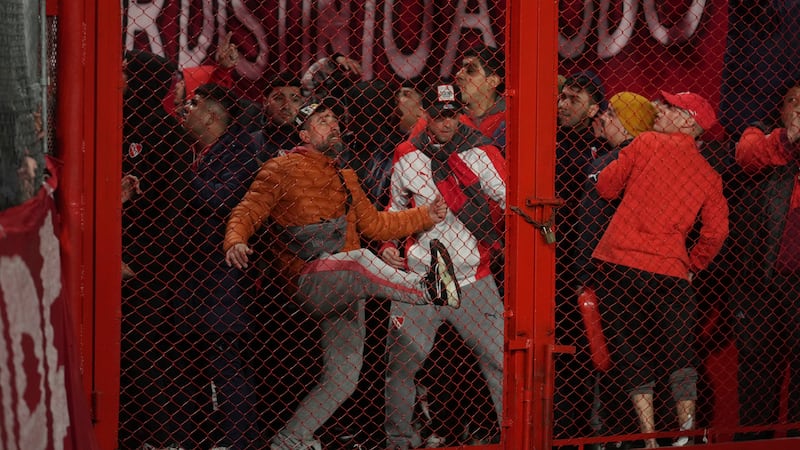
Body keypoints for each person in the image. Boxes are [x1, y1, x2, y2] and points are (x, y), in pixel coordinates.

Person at [222, 96, 461, 450]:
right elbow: (248, 209)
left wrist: (427, 215)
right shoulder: (281, 168)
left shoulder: (345, 174)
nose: (333, 125)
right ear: (303, 134)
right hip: (311, 278)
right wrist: (235, 240)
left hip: (346, 282)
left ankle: (290, 440)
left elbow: (376, 224)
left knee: (343, 377)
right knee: (360, 259)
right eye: (322, 121)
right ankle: (429, 289)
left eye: (335, 119)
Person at [591, 91, 729, 448]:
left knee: (631, 351)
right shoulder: (708, 174)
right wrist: (692, 264)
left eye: (670, 107)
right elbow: (717, 232)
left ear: (690, 122)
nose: (659, 109)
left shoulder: (647, 143)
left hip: (621, 263)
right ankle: (683, 434)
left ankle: (650, 438)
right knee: (679, 351)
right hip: (670, 270)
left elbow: (606, 187)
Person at [381, 83, 507, 450]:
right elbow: (394, 207)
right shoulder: (406, 154)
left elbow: (511, 196)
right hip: (421, 277)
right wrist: (389, 243)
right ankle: (398, 441)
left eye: (452, 114)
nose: (447, 123)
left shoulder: (481, 150)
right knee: (400, 368)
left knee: (500, 362)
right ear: (426, 116)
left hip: (472, 276)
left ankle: (515, 438)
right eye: (439, 116)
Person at [176, 83, 266, 449]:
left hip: (224, 278)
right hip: (195, 276)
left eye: (194, 104)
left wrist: (178, 175)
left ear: (212, 116)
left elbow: (220, 198)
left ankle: (239, 441)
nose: (186, 108)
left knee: (226, 361)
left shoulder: (240, 152)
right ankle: (201, 439)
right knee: (196, 364)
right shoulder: (196, 151)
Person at [577, 92, 657, 441]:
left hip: (613, 275)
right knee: (645, 355)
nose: (602, 120)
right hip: (653, 276)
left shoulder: (611, 163)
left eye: (609, 114)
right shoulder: (661, 158)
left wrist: (582, 275)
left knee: (615, 361)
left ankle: (621, 436)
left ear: (624, 120)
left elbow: (591, 223)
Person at [732, 81, 800, 441]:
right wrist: (787, 140)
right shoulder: (763, 136)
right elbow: (746, 155)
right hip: (761, 282)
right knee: (757, 369)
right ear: (782, 109)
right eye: (794, 102)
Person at [553, 69, 608, 441]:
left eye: (573, 99)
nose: (563, 105)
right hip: (553, 262)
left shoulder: (606, 150)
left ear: (593, 110)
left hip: (591, 266)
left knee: (593, 352)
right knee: (558, 351)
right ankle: (556, 429)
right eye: (562, 97)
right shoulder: (547, 141)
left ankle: (583, 432)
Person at [454, 45, 506, 151]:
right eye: (461, 69)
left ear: (492, 82)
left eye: (471, 70)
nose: (458, 74)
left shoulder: (512, 120)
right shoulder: (442, 117)